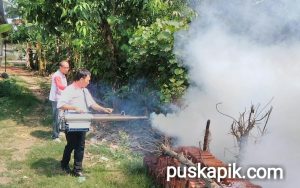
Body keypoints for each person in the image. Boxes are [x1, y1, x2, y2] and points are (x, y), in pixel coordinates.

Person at [57, 69, 113, 177]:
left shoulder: (85, 91)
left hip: (83, 122)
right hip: (71, 122)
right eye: (88, 80)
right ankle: (64, 164)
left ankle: (77, 170)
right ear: (81, 79)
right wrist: (75, 108)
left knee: (81, 146)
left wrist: (104, 109)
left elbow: (92, 104)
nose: (89, 82)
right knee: (71, 145)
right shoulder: (69, 90)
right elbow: (60, 105)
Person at [49, 60, 69, 142]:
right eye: (65, 67)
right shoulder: (57, 75)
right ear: (60, 67)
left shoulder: (62, 75)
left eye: (68, 67)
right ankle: (55, 136)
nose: (67, 69)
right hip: (56, 99)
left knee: (61, 116)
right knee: (56, 117)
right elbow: (60, 86)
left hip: (62, 99)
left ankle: (60, 131)